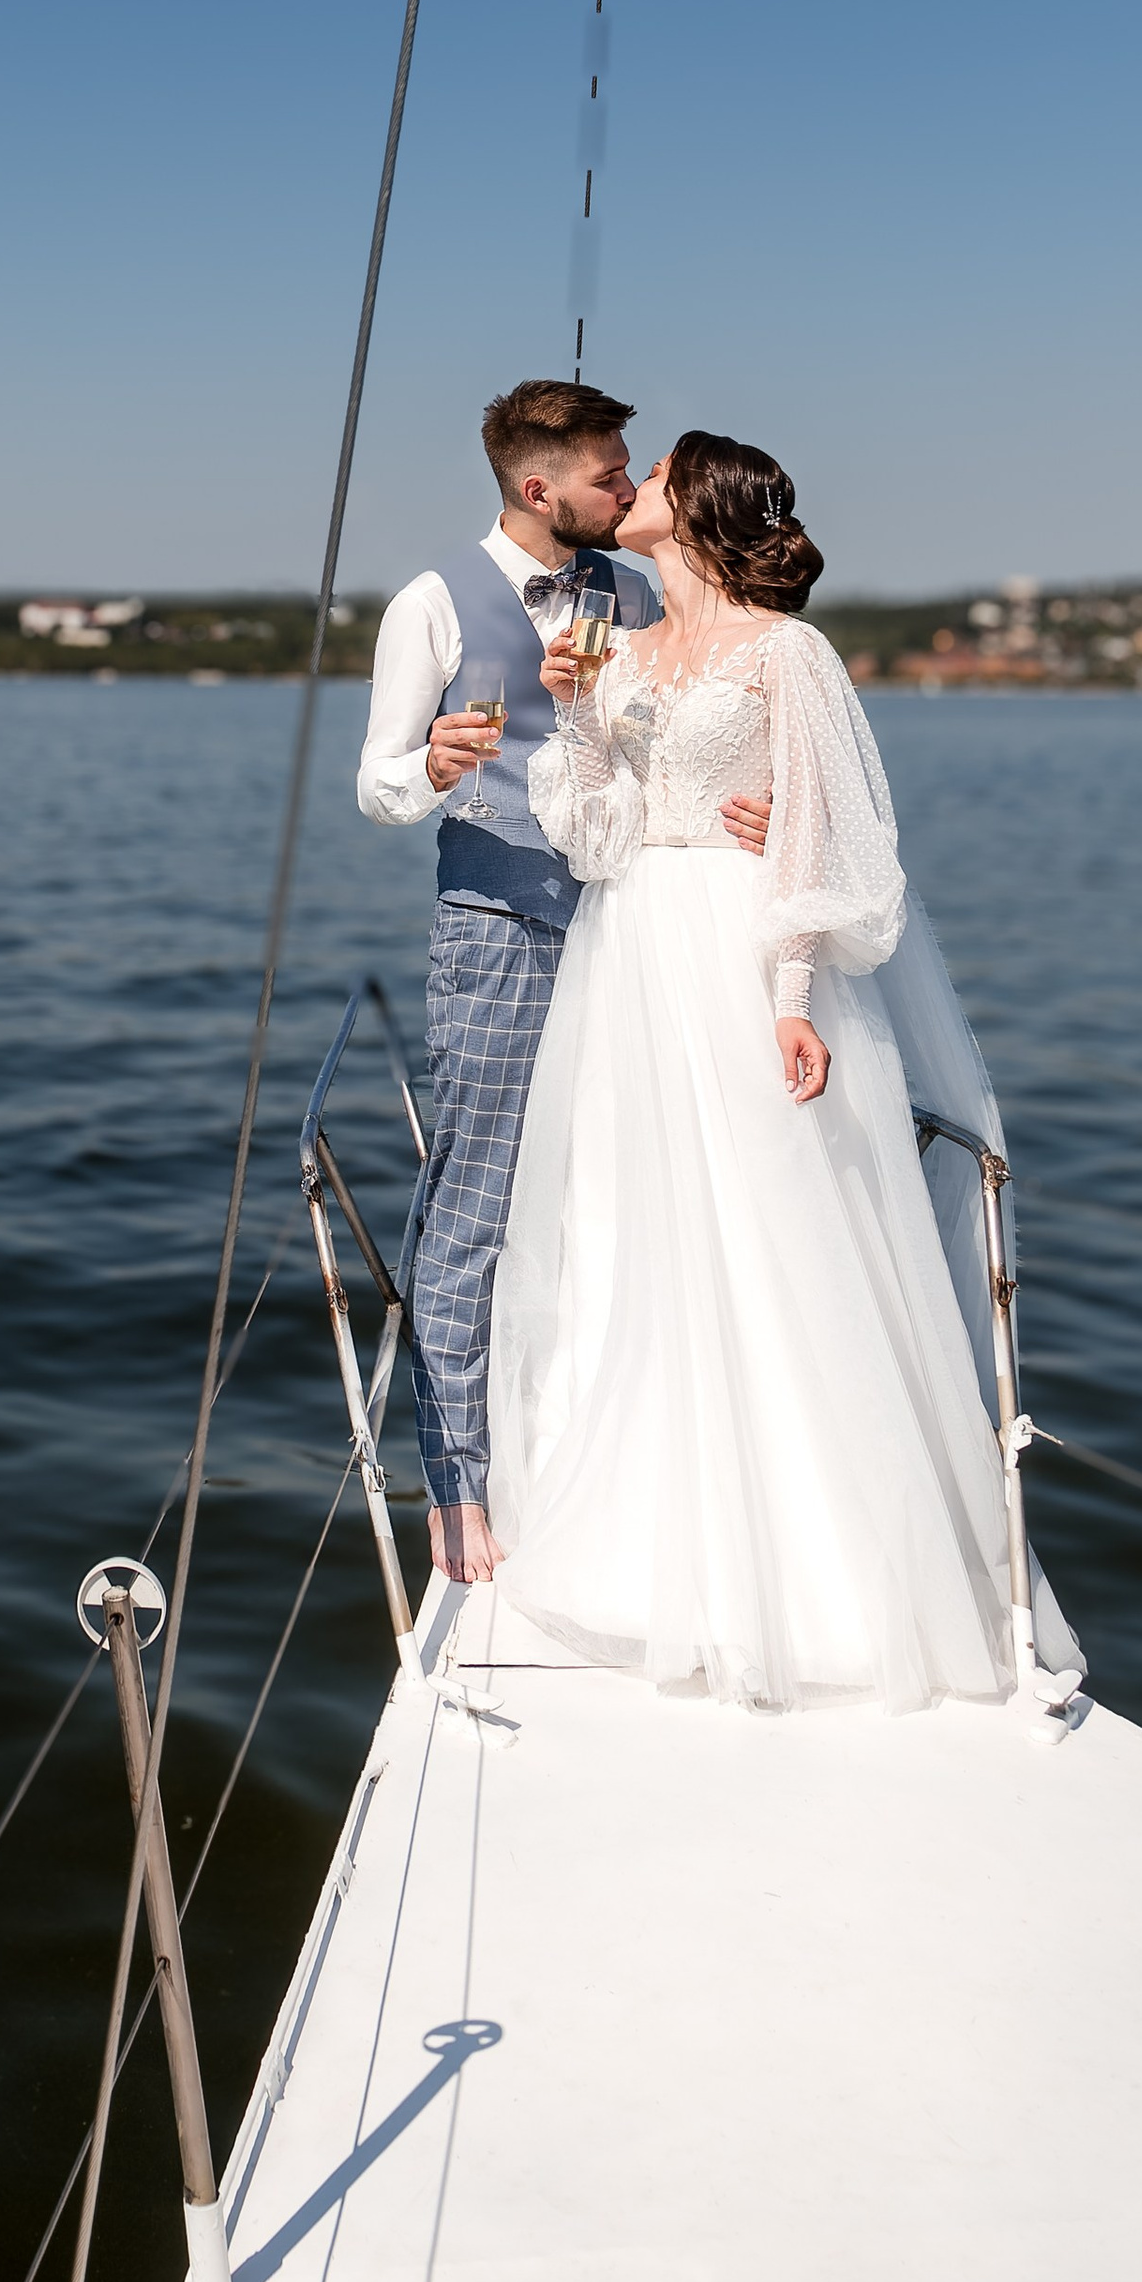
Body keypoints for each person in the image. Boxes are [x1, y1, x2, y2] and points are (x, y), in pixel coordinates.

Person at [492, 428, 1082, 1710]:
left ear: (691, 508)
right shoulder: (622, 647)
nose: (627, 490)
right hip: (632, 951)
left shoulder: (787, 652)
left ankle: (828, 1577)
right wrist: (579, 714)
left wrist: (795, 994)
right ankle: (657, 1556)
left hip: (742, 953)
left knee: (775, 1227)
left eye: (647, 480)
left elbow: (834, 834)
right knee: (634, 1229)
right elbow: (592, 833)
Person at [358, 380, 771, 1587]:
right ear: (539, 488)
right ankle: (457, 1481)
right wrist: (428, 764)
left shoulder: (633, 592)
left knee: (620, 1188)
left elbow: (678, 741)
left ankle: (608, 1446)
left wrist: (746, 808)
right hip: (499, 928)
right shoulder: (431, 606)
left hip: (635, 933)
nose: (628, 489)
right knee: (476, 1201)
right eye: (610, 474)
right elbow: (376, 789)